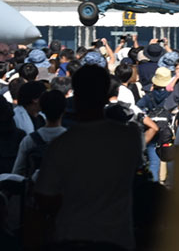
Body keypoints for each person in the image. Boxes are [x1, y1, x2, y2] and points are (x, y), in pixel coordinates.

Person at [35, 65, 143, 249]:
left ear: (75, 94)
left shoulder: (61, 145)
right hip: (117, 239)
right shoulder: (129, 138)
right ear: (108, 93)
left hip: (71, 236)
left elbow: (45, 198)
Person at [12, 90, 67, 178]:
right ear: (64, 110)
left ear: (42, 109)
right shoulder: (72, 139)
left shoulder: (29, 140)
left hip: (37, 188)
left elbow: (17, 171)